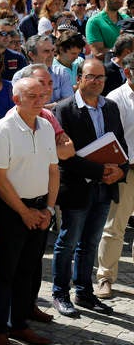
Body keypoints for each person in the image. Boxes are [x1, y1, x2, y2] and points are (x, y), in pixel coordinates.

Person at [0, 77, 58, 345]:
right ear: (16, 99)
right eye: (32, 96)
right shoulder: (2, 131)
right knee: (5, 272)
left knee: (28, 269)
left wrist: (48, 209)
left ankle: (19, 323)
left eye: (42, 95)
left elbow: (53, 170)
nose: (40, 100)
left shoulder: (46, 126)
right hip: (9, 210)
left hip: (39, 208)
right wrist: (24, 212)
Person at [51, 59, 127, 317]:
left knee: (91, 243)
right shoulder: (64, 109)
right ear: (79, 79)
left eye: (100, 77)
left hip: (105, 187)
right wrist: (99, 172)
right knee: (68, 242)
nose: (96, 81)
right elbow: (65, 156)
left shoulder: (111, 107)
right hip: (77, 187)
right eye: (91, 76)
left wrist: (120, 170)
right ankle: (60, 293)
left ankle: (84, 292)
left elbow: (120, 144)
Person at [97, 54, 134, 299]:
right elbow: (109, 138)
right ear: (128, 73)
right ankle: (105, 278)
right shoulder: (115, 98)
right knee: (114, 227)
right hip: (125, 171)